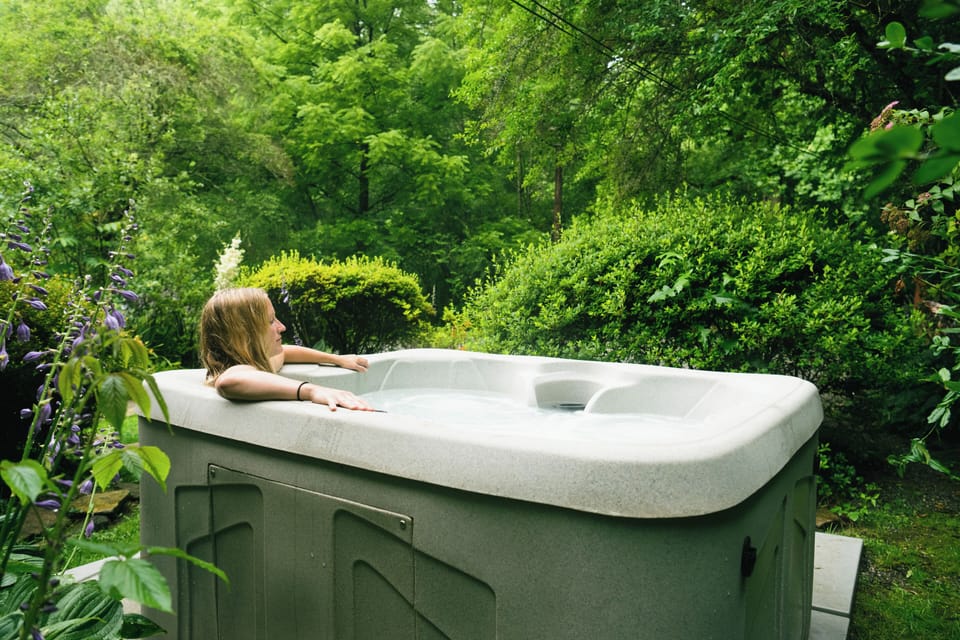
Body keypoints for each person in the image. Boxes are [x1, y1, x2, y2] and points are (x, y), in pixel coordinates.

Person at [199, 287, 374, 411]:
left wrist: (337, 359)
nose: (282, 327)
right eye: (270, 321)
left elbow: (284, 352)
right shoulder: (237, 371)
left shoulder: (254, 364)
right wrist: (312, 390)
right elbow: (229, 382)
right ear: (244, 334)